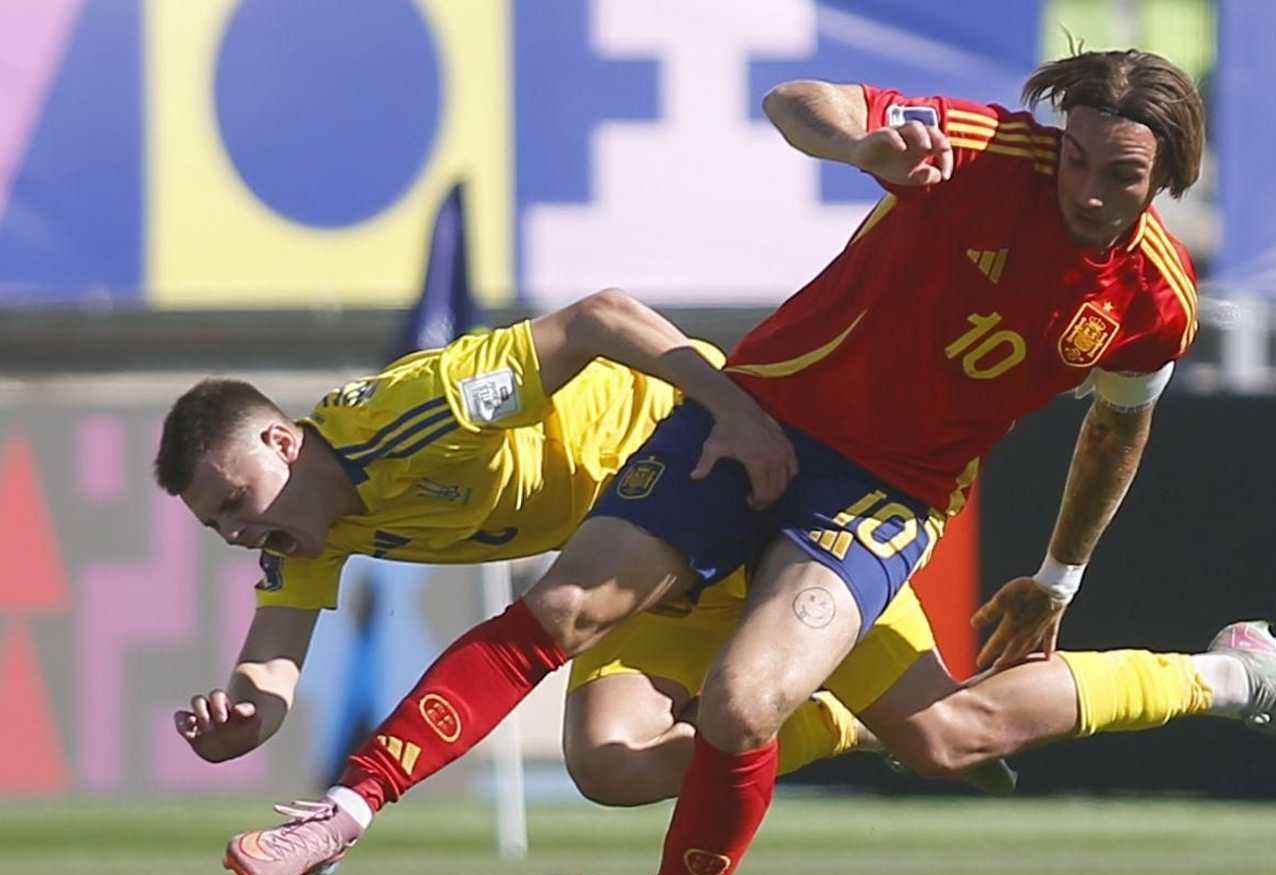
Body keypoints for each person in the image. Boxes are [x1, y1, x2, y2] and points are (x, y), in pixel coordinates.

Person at [217, 50, 1276, 875]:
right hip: (753, 420)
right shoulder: (987, 152)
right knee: (580, 663)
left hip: (880, 497)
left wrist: (1055, 574)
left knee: (833, 717)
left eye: (1116, 173)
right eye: (1073, 154)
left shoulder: (1155, 299)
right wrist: (860, 149)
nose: (1082, 185)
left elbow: (1113, 439)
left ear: (1166, 174)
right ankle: (344, 807)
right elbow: (800, 102)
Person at [160, 290, 1017, 820]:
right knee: (608, 763)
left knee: (946, 733)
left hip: (714, 465)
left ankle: (1158, 679)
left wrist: (736, 410)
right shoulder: (303, 533)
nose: (238, 532)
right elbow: (270, 670)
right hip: (625, 551)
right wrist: (244, 718)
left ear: (281, 440)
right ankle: (836, 724)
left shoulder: (418, 411)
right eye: (219, 525)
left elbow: (600, 316)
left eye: (236, 502)